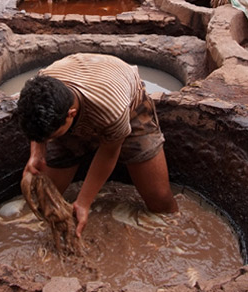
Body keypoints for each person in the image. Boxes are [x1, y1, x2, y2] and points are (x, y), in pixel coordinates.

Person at [17, 53, 179, 238]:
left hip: (127, 104)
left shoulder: (111, 109)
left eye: (51, 137)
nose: (46, 140)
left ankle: (176, 234)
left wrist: (84, 202)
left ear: (71, 114)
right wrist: (36, 154)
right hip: (78, 95)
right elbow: (37, 129)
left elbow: (109, 152)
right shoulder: (38, 89)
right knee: (43, 203)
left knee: (160, 201)